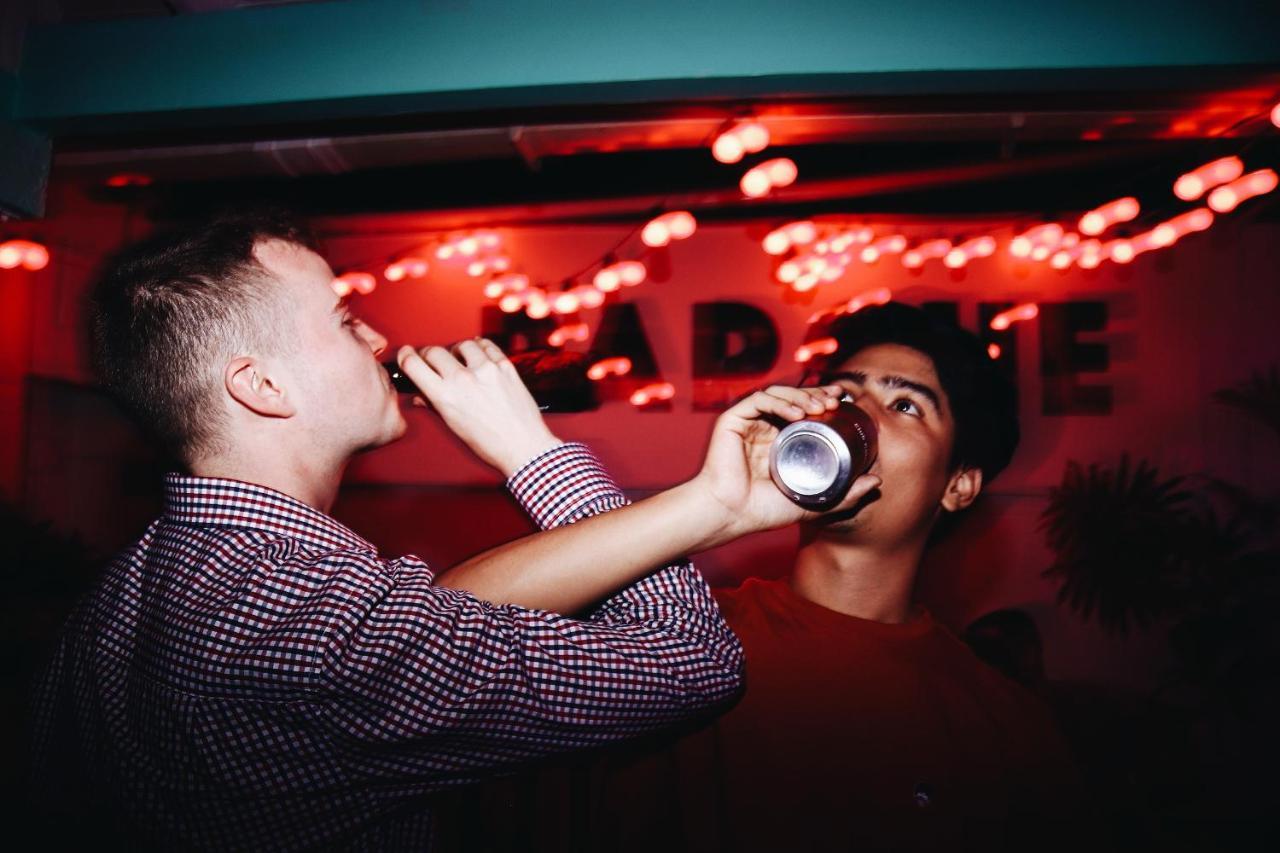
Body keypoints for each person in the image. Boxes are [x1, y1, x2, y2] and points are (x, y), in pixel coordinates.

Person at [27, 211, 879, 851]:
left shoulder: (133, 586)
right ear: (260, 385)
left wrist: (714, 507)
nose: (380, 337)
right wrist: (528, 448)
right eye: (343, 318)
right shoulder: (299, 618)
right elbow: (692, 663)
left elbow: (442, 615)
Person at [444, 302, 1086, 852]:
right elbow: (429, 643)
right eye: (844, 392)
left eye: (905, 404)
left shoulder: (1004, 726)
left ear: (959, 484)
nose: (855, 412)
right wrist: (713, 506)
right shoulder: (683, 636)